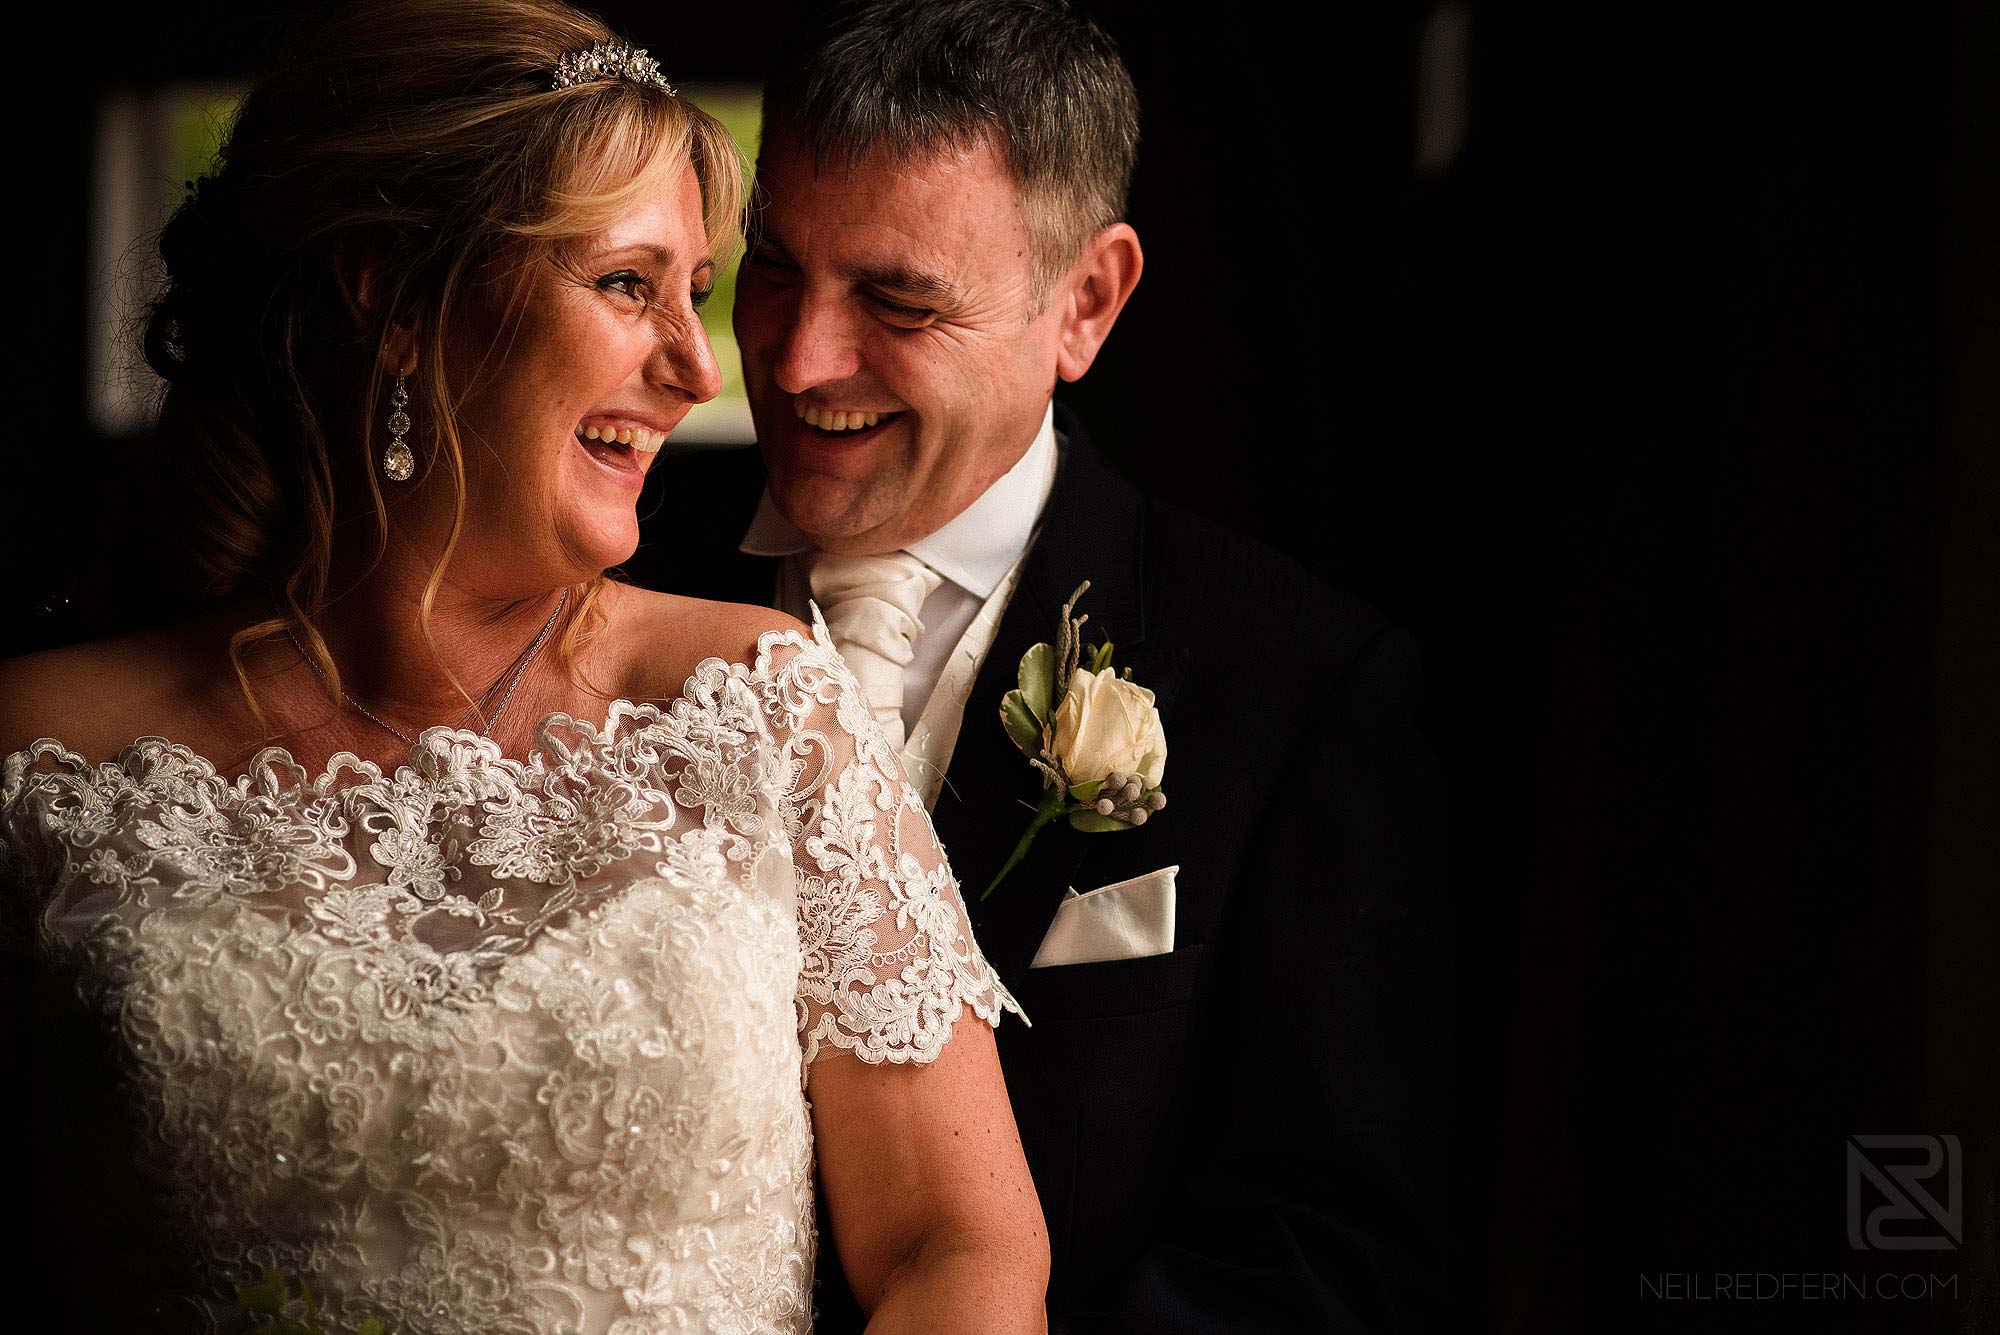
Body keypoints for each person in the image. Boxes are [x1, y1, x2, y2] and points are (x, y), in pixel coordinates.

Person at [0, 2, 1048, 1330]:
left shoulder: (758, 703)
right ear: (391, 290)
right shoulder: (40, 758)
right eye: (627, 284)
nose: (689, 366)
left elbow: (956, 1250)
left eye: (698, 296)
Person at [630, 1, 1446, 1329]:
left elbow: (1324, 1254)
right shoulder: (608, 578)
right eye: (773, 268)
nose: (792, 356)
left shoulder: (1298, 687)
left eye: (896, 299)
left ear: (1087, 302)